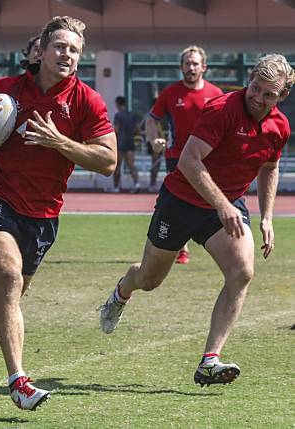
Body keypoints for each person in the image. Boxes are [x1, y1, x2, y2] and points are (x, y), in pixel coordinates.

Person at [0, 16, 117, 410]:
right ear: (41, 50)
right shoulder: (5, 92)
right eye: (60, 46)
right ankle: (19, 381)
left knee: (3, 297)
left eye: (74, 50)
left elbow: (108, 160)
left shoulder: (86, 101)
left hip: (44, 216)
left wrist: (59, 141)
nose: (66, 54)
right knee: (8, 276)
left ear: (80, 60)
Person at [99, 54, 293, 387]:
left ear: (283, 96)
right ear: (249, 80)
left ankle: (209, 361)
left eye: (268, 94)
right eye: (255, 88)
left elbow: (269, 169)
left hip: (224, 207)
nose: (258, 97)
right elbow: (189, 160)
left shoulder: (280, 128)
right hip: (182, 201)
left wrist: (267, 218)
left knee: (242, 271)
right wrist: (222, 205)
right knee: (149, 278)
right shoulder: (223, 109)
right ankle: (121, 292)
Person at [146, 46, 223, 264]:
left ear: (204, 67)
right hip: (177, 157)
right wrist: (154, 140)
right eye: (187, 63)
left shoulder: (216, 94)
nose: (191, 67)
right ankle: (181, 248)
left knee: (207, 199)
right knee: (179, 201)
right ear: (181, 67)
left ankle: (216, 243)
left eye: (195, 63)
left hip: (209, 158)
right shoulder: (170, 93)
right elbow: (151, 120)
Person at [0, 34, 41, 274]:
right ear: (28, 54)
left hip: (40, 190)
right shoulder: (3, 88)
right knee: (7, 273)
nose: (39, 52)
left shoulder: (69, 96)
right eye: (35, 48)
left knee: (16, 281)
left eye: (42, 48)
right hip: (2, 185)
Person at [112, 96, 139, 192]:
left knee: (117, 166)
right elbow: (137, 129)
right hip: (130, 142)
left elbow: (116, 130)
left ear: (117, 104)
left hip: (120, 142)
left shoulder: (118, 115)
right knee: (131, 164)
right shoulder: (131, 115)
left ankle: (116, 187)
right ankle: (137, 184)